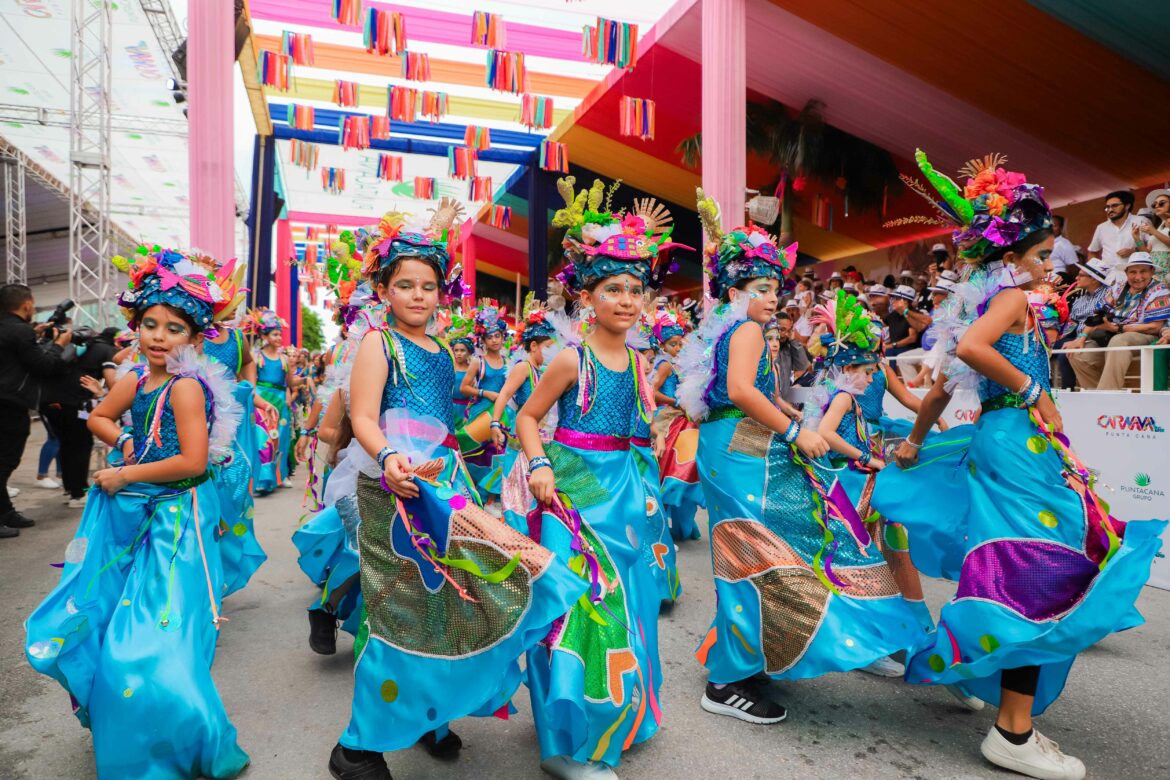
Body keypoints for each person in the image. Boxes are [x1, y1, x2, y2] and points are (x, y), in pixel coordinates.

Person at [877, 151, 1164, 779]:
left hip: (1021, 440)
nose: (1048, 265)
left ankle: (986, 677)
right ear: (1011, 258)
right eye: (1040, 255)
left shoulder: (1014, 301)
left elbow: (943, 384)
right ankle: (1010, 729)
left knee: (1041, 558)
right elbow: (974, 353)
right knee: (1039, 565)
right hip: (1016, 440)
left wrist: (915, 441)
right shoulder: (1008, 297)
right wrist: (1033, 393)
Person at [327, 203, 582, 780]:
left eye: (428, 286)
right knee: (401, 611)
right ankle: (357, 748)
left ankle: (428, 719)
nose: (418, 296)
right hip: (393, 491)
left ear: (442, 292)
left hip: (445, 483)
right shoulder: (378, 344)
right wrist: (390, 457)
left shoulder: (443, 351)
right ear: (384, 289)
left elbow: (441, 425)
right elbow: (365, 417)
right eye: (405, 285)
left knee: (458, 599)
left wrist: (482, 433)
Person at [679, 192, 918, 727]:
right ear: (736, 290)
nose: (772, 297)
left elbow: (749, 389)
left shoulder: (740, 330)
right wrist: (793, 428)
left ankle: (747, 657)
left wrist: (791, 415)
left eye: (775, 288)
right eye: (762, 288)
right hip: (742, 451)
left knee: (763, 552)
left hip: (742, 448)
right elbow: (740, 390)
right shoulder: (743, 330)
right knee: (756, 553)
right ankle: (725, 681)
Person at [26, 246, 250, 778]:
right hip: (132, 513)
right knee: (112, 616)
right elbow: (100, 417)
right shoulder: (135, 378)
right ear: (136, 325)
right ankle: (138, 727)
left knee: (161, 631)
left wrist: (126, 472)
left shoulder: (187, 388)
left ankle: (185, 736)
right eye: (150, 323)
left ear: (195, 339)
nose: (158, 336)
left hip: (179, 520)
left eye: (174, 329)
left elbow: (193, 461)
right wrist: (125, 437)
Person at [515, 178, 680, 779]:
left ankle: (620, 713)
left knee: (629, 606)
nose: (628, 300)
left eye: (636, 290)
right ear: (587, 297)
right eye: (613, 288)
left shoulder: (640, 362)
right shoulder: (569, 357)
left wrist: (651, 443)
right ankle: (567, 746)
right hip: (572, 491)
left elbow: (637, 425)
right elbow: (530, 419)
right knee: (579, 608)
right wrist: (538, 465)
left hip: (627, 497)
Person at [0, 284, 71, 537]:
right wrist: (60, 345)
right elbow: (45, 366)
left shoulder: (15, 330)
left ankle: (5, 512)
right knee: (6, 460)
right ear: (27, 305)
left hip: (6, 401)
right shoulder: (20, 332)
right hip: (10, 403)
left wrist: (34, 333)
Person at [490, 298, 556, 533]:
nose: (552, 351)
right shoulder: (523, 368)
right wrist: (495, 423)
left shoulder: (546, 371)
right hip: (522, 446)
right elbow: (504, 394)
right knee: (519, 493)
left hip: (544, 441)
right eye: (548, 346)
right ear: (534, 346)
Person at [1068, 253, 1169, 389]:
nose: (1138, 277)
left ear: (1152, 271)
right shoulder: (1118, 287)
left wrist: (1119, 329)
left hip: (1143, 335)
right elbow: (1097, 315)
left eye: (1143, 271)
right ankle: (1098, 398)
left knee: (1119, 341)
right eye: (1133, 272)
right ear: (1126, 273)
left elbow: (1155, 327)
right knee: (1077, 353)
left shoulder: (1160, 290)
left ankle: (1106, 397)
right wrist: (1081, 337)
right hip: (1113, 335)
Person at [651, 306, 706, 543]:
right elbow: (651, 391)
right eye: (673, 344)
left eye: (680, 343)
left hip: (682, 416)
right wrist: (676, 401)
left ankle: (683, 517)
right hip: (668, 417)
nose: (678, 348)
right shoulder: (664, 365)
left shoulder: (679, 365)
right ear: (662, 345)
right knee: (671, 463)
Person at [458, 299, 511, 501]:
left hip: (502, 415)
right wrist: (484, 393)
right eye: (490, 337)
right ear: (483, 340)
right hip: (480, 413)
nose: (495, 340)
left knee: (498, 453)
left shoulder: (509, 362)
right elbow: (464, 387)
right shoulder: (477, 362)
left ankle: (494, 496)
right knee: (478, 455)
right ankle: (476, 494)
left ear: (503, 337)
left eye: (497, 336)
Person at [246, 309, 298, 494]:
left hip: (280, 402)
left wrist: (304, 380)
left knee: (280, 440)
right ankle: (262, 478)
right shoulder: (256, 357)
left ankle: (279, 475)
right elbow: (250, 382)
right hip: (262, 400)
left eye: (279, 334)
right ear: (264, 335)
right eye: (275, 334)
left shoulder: (285, 359)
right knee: (263, 438)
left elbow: (290, 383)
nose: (278, 338)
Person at [1051, 258, 1111, 388]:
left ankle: (1068, 392)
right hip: (1076, 335)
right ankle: (1045, 388)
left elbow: (1100, 319)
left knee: (1065, 353)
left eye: (1081, 275)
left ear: (1094, 279)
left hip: (1096, 337)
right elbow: (1072, 322)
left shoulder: (1108, 294)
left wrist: (1076, 339)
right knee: (1043, 347)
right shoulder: (1081, 298)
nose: (1076, 278)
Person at [1088, 190, 1145, 272]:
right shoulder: (1101, 227)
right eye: (1107, 207)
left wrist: (1133, 251)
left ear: (1127, 206)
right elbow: (1092, 252)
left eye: (1114, 206)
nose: (1110, 209)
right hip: (1108, 275)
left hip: (1134, 274)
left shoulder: (1141, 222)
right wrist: (1095, 271)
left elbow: (1152, 247)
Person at [767, 311, 810, 411]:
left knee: (817, 395)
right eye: (782, 330)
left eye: (789, 330)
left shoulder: (789, 347)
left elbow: (803, 365)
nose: (785, 334)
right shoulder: (767, 347)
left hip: (785, 402)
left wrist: (793, 340)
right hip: (769, 405)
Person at [1136, 188, 1170, 284]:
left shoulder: (1155, 229)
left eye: (1162, 203)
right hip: (1156, 273)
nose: (1157, 206)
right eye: (1154, 204)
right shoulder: (1159, 226)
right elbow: (1147, 253)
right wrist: (1137, 238)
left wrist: (1154, 231)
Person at [883, 284, 921, 358]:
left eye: (896, 298)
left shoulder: (914, 314)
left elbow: (912, 338)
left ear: (905, 301)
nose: (893, 301)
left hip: (909, 349)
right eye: (893, 298)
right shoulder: (892, 315)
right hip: (894, 348)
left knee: (889, 352)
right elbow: (882, 327)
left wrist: (892, 345)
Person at [1050, 215, 1078, 282]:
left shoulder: (1064, 244)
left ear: (1061, 228)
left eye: (1054, 225)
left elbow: (1073, 267)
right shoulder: (1041, 243)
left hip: (1058, 281)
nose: (1050, 228)